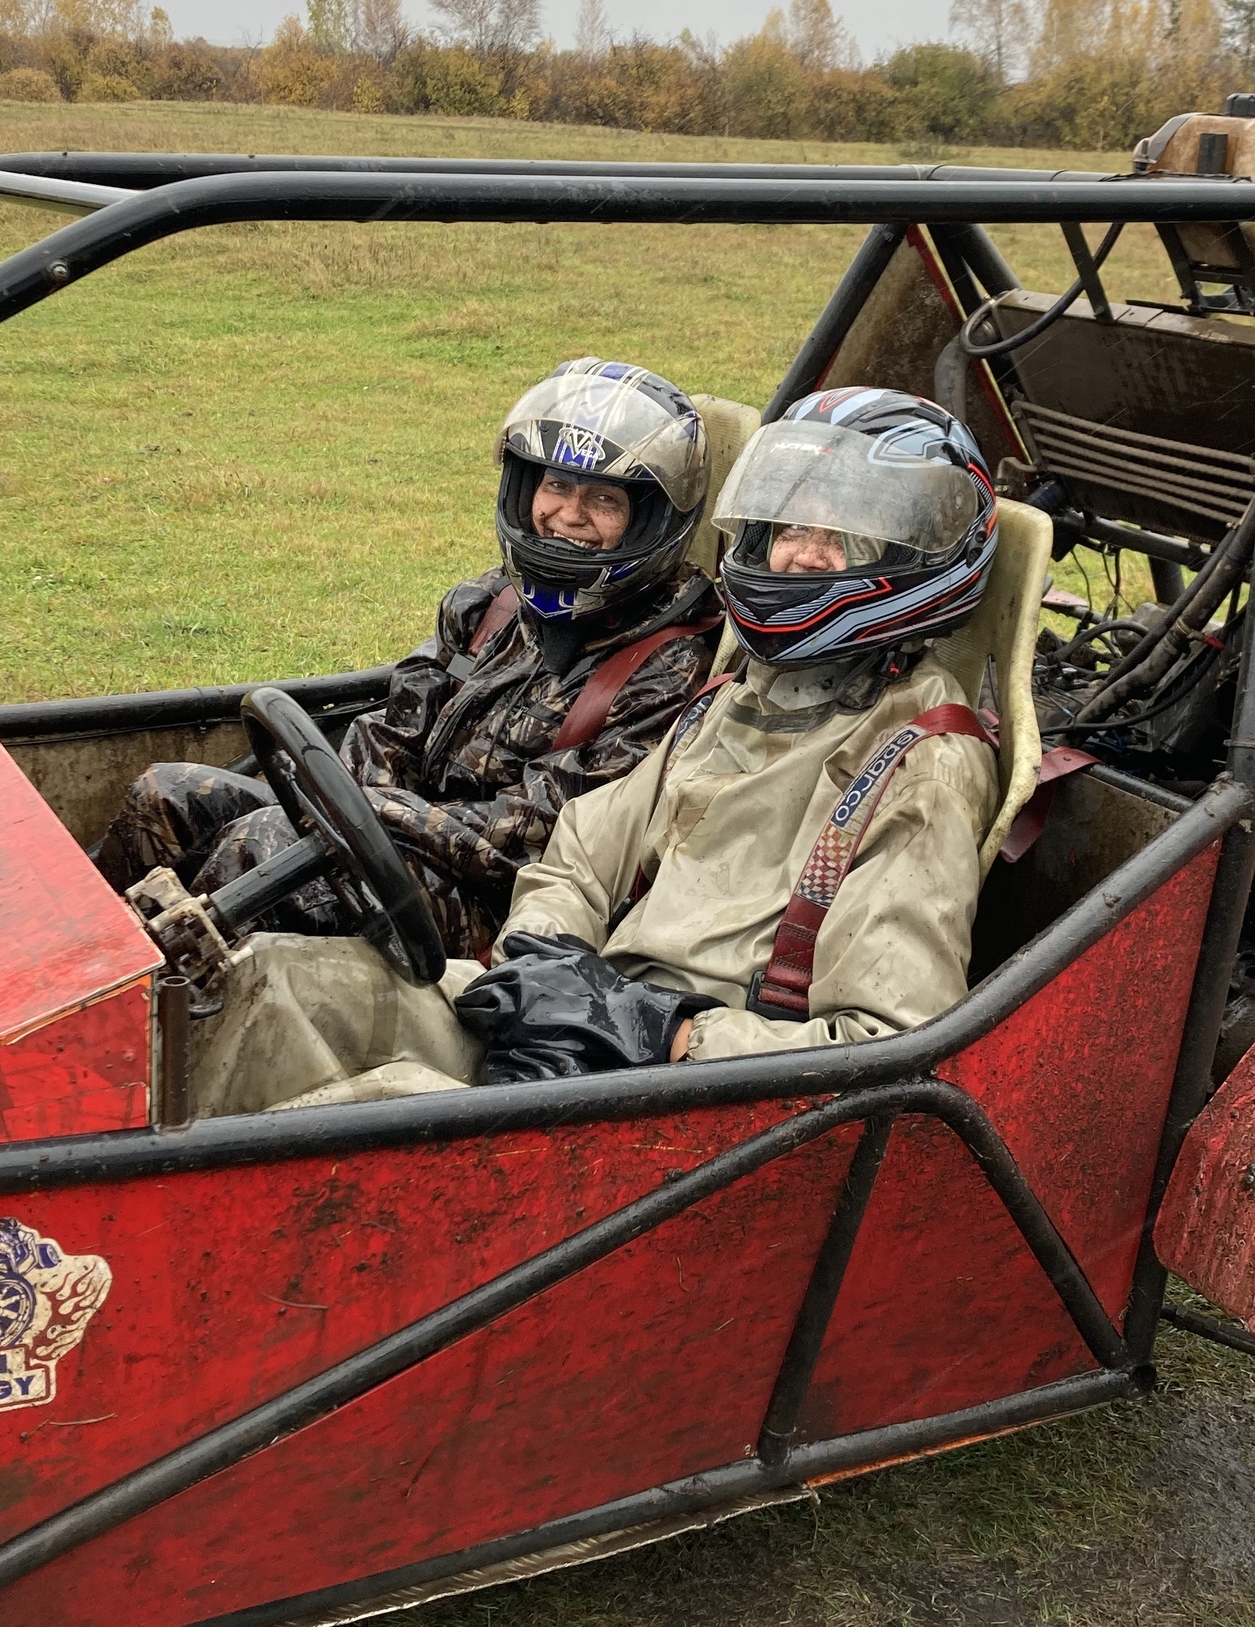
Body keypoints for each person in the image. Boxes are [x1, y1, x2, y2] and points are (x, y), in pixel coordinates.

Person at [184, 389, 1003, 1114]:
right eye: (793, 526)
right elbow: (575, 854)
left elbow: (886, 1046)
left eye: (844, 538)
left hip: (700, 1093)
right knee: (259, 981)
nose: (801, 555)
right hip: (585, 1014)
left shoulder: (922, 761)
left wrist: (653, 1030)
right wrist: (548, 965)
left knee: (370, 1107)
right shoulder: (736, 695)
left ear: (915, 561)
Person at [96, 360, 724, 964]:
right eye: (556, 485)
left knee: (266, 844)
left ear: (650, 519)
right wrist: (349, 811)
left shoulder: (668, 668)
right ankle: (88, 966)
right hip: (386, 837)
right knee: (166, 793)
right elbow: (387, 730)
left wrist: (371, 814)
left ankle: (153, 1017)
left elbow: (541, 834)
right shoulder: (487, 604)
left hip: (500, 905)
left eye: (604, 499)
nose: (567, 515)